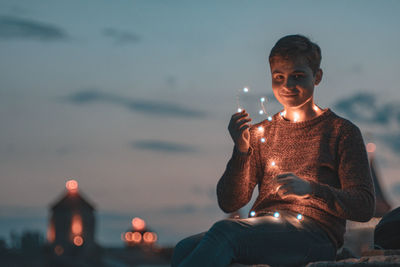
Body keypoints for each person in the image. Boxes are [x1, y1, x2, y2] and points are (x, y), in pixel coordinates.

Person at [171, 34, 376, 267]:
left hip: (316, 235)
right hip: (264, 228)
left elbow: (364, 205)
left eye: (297, 76)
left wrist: (309, 190)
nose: (287, 85)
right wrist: (241, 151)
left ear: (317, 76)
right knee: (184, 248)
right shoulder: (260, 133)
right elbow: (229, 202)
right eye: (279, 77)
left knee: (225, 232)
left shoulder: (341, 132)